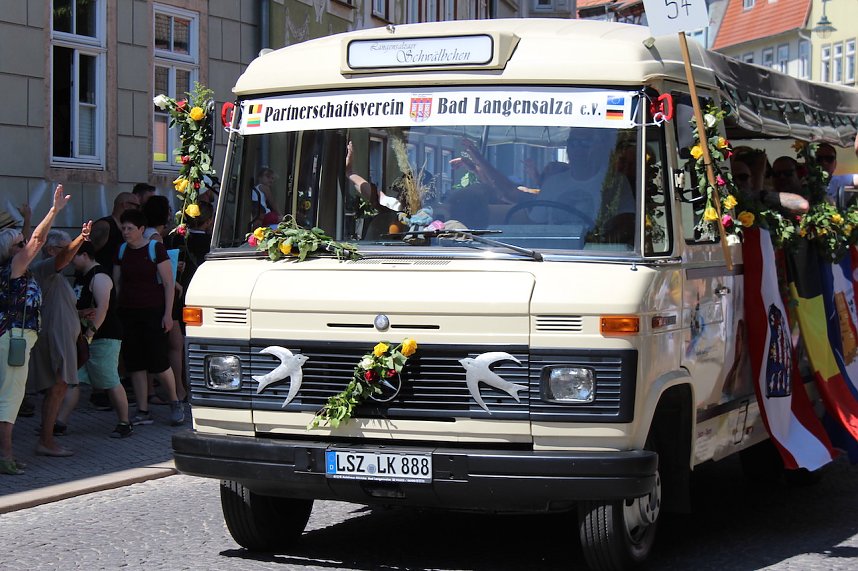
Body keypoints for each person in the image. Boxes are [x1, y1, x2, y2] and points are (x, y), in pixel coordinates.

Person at [0, 185, 71, 475]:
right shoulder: (14, 267)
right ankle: (5, 456)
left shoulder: (14, 267)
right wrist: (53, 211)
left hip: (14, 337)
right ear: (11, 251)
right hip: (14, 339)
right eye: (20, 244)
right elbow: (38, 240)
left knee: (9, 397)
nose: (26, 245)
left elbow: (30, 240)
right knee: (10, 399)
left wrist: (28, 221)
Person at [113, 209, 184, 426]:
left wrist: (167, 315)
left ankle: (174, 401)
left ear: (141, 229)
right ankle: (143, 409)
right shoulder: (122, 250)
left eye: (130, 228)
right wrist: (117, 309)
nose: (126, 232)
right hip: (129, 313)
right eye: (123, 228)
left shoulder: (155, 248)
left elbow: (169, 283)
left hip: (153, 312)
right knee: (135, 363)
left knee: (158, 362)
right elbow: (117, 283)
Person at [27, 224, 92, 457]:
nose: (72, 254)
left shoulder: (57, 276)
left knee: (59, 388)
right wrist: (81, 238)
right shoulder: (44, 268)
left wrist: (81, 314)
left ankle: (47, 439)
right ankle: (46, 441)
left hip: (63, 337)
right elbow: (63, 258)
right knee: (57, 387)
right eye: (66, 249)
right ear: (51, 250)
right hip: (55, 339)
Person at [57, 241, 132, 438]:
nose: (70, 261)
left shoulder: (99, 276)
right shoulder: (81, 276)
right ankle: (59, 422)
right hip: (82, 338)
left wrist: (90, 334)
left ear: (85, 255)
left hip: (103, 337)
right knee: (73, 380)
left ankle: (125, 422)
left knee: (109, 379)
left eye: (73, 256)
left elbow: (102, 308)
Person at [91, 191, 139, 275]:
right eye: (136, 206)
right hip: (100, 278)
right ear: (125, 205)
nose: (138, 210)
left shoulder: (129, 228)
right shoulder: (105, 226)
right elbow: (87, 252)